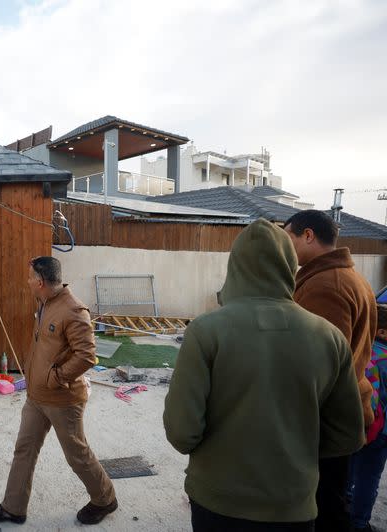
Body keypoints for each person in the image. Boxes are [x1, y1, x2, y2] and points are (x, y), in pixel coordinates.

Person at [164, 219, 364, 532]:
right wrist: (295, 448)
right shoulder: (329, 337)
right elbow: (347, 434)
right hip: (293, 506)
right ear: (289, 265)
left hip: (218, 502)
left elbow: (181, 431)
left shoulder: (206, 331)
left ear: (235, 264)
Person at [0, 256, 117, 526]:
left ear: (40, 282)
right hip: (36, 396)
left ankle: (105, 499)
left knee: (77, 454)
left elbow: (87, 355)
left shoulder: (74, 311)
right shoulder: (44, 302)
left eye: (30, 277)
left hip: (62, 399)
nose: (28, 281)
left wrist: (56, 377)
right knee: (24, 449)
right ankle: (13, 508)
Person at [284, 209, 377, 532]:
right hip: (343, 413)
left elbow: (318, 369)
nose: (285, 247)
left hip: (326, 422)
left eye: (288, 237)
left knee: (324, 510)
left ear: (308, 235)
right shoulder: (347, 276)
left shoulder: (326, 286)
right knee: (334, 499)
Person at [348, 304, 387, 532]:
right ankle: (359, 523)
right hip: (381, 433)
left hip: (357, 426)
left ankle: (342, 509)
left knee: (349, 471)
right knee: (369, 478)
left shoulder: (359, 352)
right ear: (381, 331)